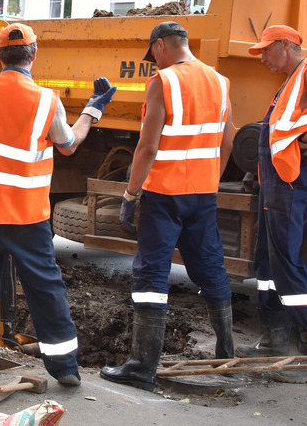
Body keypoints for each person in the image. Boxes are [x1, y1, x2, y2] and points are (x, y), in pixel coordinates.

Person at [0, 22, 117, 401]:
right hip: (26, 216)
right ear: (35, 55)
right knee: (45, 288)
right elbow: (67, 145)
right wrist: (93, 110)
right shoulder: (47, 102)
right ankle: (65, 368)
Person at [100, 21, 235, 391]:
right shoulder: (220, 82)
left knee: (151, 274)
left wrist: (130, 194)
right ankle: (227, 354)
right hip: (202, 194)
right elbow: (228, 141)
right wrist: (210, 180)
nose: (153, 63)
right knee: (210, 267)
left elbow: (147, 146)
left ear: (160, 46)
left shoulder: (164, 82)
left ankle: (142, 367)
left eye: (153, 55)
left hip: (164, 196)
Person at [236, 25, 307, 383]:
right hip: (278, 183)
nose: (263, 58)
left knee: (285, 260)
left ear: (287, 45)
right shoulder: (291, 81)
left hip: (290, 183)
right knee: (267, 262)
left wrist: (306, 142)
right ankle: (273, 338)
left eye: (267, 51)